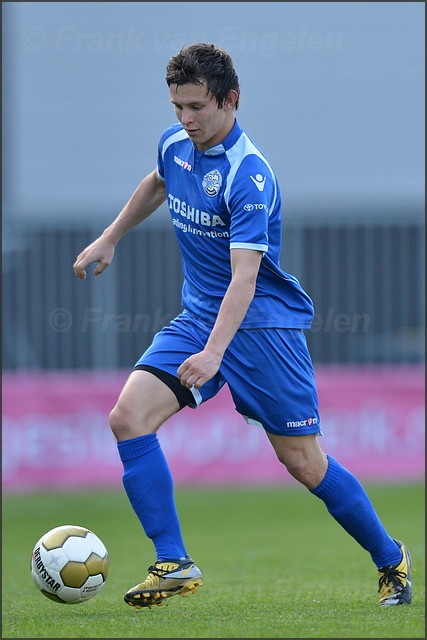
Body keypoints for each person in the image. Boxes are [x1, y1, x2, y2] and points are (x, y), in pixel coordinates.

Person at [73, 43, 412, 609]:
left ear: (231, 100)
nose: (185, 119)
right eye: (177, 106)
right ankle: (173, 561)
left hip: (263, 332)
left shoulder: (249, 175)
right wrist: (111, 236)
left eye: (197, 107)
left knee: (304, 463)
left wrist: (212, 355)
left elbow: (245, 280)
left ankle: (390, 557)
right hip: (201, 315)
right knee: (128, 419)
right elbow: (158, 181)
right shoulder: (176, 143)